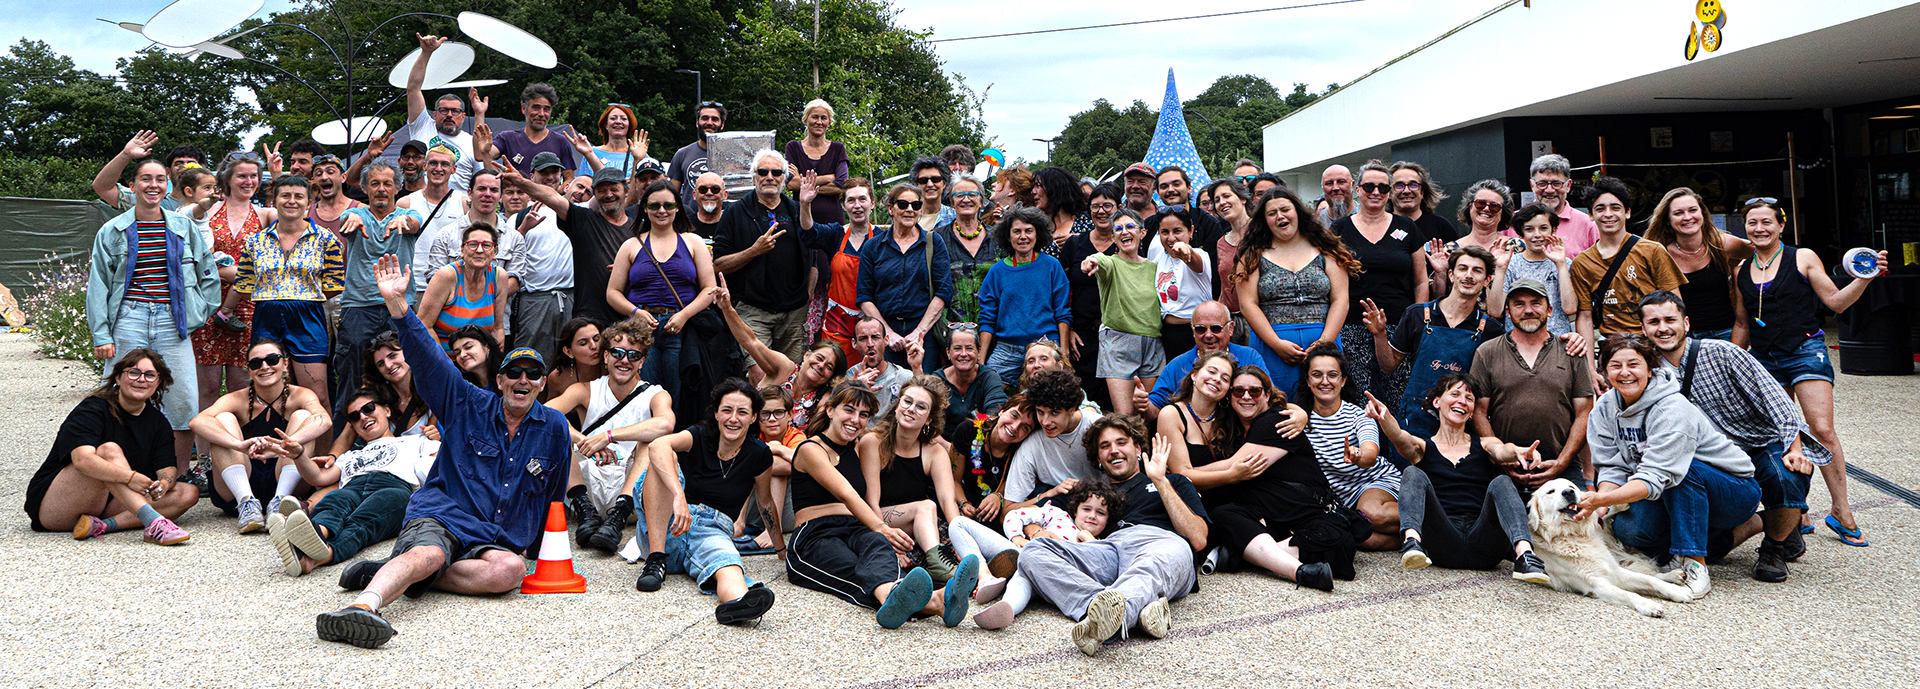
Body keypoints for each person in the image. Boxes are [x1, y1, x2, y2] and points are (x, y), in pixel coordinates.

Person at [316, 255, 571, 649]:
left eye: (533, 374)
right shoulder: (467, 402)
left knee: (510, 571)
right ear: (500, 379)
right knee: (432, 554)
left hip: (494, 534)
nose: (523, 380)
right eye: (514, 373)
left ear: (542, 385)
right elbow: (430, 360)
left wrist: (543, 548)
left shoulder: (553, 426)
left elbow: (553, 491)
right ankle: (364, 607)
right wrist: (398, 307)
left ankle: (390, 570)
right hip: (444, 512)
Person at [1639, 290, 1821, 581]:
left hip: (1759, 442)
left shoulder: (1723, 352)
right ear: (1644, 329)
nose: (1663, 328)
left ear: (1686, 323)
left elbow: (1777, 400)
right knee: (1707, 548)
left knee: (1787, 477)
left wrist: (1795, 448)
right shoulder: (1647, 371)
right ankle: (1764, 523)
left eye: (1670, 319)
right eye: (1654, 322)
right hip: (1713, 457)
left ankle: (1774, 547)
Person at [1733, 201, 1881, 548]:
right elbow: (1741, 323)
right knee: (1782, 436)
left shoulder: (1802, 257)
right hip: (1765, 359)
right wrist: (1735, 363)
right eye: (1752, 223)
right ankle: (1796, 509)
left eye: (1766, 222)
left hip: (1804, 351)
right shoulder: (1740, 269)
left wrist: (1864, 278)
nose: (1759, 229)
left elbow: (1836, 302)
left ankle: (1841, 510)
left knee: (1822, 429)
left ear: (1780, 226)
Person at [1578, 334, 1761, 597]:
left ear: (1650, 369)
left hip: (1733, 491)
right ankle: (1717, 535)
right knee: (1632, 532)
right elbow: (1612, 468)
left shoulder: (1673, 408)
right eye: (1615, 365)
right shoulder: (1604, 410)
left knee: (1683, 474)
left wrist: (1601, 499)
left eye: (1634, 364)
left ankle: (1694, 563)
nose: (1625, 372)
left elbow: (1658, 477)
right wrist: (1602, 507)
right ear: (1604, 371)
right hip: (1668, 490)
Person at [1018, 413, 1207, 656]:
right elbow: (1019, 514)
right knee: (1033, 553)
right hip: (1108, 549)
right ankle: (1106, 609)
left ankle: (1113, 616)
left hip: (1162, 543)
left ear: (1137, 448)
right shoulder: (1091, 494)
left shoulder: (1174, 482)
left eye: (1121, 442)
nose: (1113, 451)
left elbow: (1198, 538)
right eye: (1105, 446)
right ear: (1098, 458)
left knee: (1147, 567)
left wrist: (1160, 481)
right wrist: (1035, 530)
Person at [784, 385, 966, 628]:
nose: (855, 420)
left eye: (863, 415)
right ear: (829, 410)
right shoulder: (810, 449)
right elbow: (847, 494)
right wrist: (883, 527)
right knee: (853, 567)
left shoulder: (854, 448)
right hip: (816, 534)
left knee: (877, 549)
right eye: (849, 410)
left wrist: (880, 534)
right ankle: (931, 600)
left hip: (854, 527)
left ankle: (905, 597)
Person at [85, 157, 222, 469]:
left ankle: (176, 474)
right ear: (132, 187)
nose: (154, 185)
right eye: (146, 179)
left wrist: (197, 313)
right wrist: (102, 334)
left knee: (183, 398)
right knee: (119, 394)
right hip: (128, 318)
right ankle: (120, 471)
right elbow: (98, 286)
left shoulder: (183, 227)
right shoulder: (113, 230)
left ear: (168, 186)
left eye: (160, 179)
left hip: (172, 320)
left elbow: (209, 275)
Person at [1366, 375, 1552, 582]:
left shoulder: (1484, 444)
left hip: (1486, 546)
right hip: (1440, 545)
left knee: (1502, 482)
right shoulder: (1423, 448)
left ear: (1471, 411)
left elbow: (1502, 451)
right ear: (1437, 402)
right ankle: (1411, 542)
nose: (1462, 401)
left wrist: (1518, 451)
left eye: (1469, 399)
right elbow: (1399, 437)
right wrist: (1384, 417)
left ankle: (1526, 556)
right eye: (1454, 394)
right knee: (1412, 473)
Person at [629, 379, 780, 628]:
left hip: (713, 528)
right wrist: (679, 496)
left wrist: (781, 549)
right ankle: (655, 561)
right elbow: (657, 445)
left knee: (727, 562)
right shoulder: (699, 435)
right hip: (668, 524)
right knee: (661, 462)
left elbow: (764, 502)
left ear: (753, 417)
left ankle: (738, 604)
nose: (734, 418)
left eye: (742, 412)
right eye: (727, 410)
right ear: (717, 413)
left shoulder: (759, 454)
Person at [29, 351, 198, 545]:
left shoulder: (158, 422)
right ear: (118, 377)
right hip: (59, 506)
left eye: (150, 375)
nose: (141, 380)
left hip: (112, 502)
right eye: (133, 373)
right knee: (109, 451)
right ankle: (154, 522)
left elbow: (167, 467)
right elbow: (82, 460)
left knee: (187, 493)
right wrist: (131, 478)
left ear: (158, 382)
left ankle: (103, 525)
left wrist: (163, 484)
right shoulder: (92, 409)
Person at [267, 388, 439, 576]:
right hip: (354, 485)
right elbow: (318, 477)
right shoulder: (350, 456)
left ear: (387, 410)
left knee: (364, 520)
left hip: (394, 486)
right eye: (355, 416)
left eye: (368, 408)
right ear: (353, 427)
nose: (363, 417)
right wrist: (299, 455)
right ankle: (316, 535)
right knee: (335, 500)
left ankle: (314, 553)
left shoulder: (417, 441)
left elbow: (435, 470)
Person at [543, 315, 677, 551]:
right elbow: (544, 413)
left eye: (633, 355)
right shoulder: (585, 390)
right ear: (606, 356)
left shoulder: (656, 394)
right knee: (558, 434)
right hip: (589, 483)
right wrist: (584, 440)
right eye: (617, 352)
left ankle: (619, 514)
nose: (624, 360)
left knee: (653, 442)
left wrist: (608, 436)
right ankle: (584, 511)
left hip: (632, 488)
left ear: (642, 362)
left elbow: (666, 424)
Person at [1363, 245, 1505, 441]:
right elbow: (1388, 366)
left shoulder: (1491, 330)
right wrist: (1380, 334)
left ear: (1487, 280)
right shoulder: (1418, 315)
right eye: (1462, 269)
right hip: (1414, 423)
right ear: (1451, 275)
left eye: (1477, 270)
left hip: (1462, 429)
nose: (1469, 275)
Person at [190, 339, 333, 532]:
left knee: (304, 416)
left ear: (285, 364)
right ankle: (247, 504)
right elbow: (198, 421)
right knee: (221, 419)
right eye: (256, 363)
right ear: (248, 370)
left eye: (272, 360)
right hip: (240, 481)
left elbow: (323, 419)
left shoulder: (300, 395)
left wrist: (285, 445)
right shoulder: (236, 399)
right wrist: (238, 445)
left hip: (287, 477)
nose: (265, 367)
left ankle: (279, 503)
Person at [235, 176, 345, 413]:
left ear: (309, 202)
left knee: (317, 397)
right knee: (268, 394)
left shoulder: (326, 239)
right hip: (267, 315)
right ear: (274, 200)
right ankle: (271, 447)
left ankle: (321, 451)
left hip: (308, 315)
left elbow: (334, 283)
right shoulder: (256, 241)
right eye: (285, 195)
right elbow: (244, 284)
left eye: (298, 196)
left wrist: (300, 293)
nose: (291, 201)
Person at [1470, 279, 1594, 489]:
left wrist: (1562, 462)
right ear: (1508, 312)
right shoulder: (1487, 352)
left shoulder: (1571, 351)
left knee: (1580, 520)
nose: (1528, 310)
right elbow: (1478, 411)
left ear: (1550, 310)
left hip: (1562, 467)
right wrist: (1500, 458)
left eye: (1536, 303)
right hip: (1503, 470)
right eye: (1519, 304)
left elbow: (1584, 413)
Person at [1235, 186, 1354, 398]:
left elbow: (1340, 299)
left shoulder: (1326, 249)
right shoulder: (1252, 255)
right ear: (1264, 220)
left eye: (1285, 209)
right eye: (1272, 213)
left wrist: (1324, 343)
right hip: (1272, 346)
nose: (1280, 216)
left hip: (1323, 340)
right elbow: (1248, 304)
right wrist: (1276, 344)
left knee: (1324, 405)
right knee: (1274, 405)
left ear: (1297, 212)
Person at [962, 480, 1124, 630]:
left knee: (1023, 575)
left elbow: (1095, 572)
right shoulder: (1059, 516)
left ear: (1108, 518)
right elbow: (1015, 515)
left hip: (1049, 578)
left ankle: (1007, 606)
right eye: (1086, 509)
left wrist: (1089, 540)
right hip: (1024, 553)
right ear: (1075, 510)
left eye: (1101, 513)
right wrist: (1017, 537)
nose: (1092, 516)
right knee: (960, 524)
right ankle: (986, 578)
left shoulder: (1102, 544)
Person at [1332, 161, 1429, 408]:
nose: (1376, 192)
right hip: (1353, 325)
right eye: (1369, 186)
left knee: (1399, 397)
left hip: (1399, 326)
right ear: (1357, 189)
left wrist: (1418, 321)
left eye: (1383, 188)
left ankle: (1398, 448)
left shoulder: (1407, 227)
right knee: (1358, 398)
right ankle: (1364, 447)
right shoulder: (1339, 229)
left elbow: (1420, 281)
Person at [331, 162, 425, 414]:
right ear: (364, 188)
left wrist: (404, 221)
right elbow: (346, 219)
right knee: (352, 380)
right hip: (358, 309)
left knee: (404, 378)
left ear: (398, 187)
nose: (381, 189)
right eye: (374, 183)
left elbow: (414, 222)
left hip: (399, 308)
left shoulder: (410, 215)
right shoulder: (356, 215)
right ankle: (343, 448)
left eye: (387, 183)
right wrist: (350, 218)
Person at [859, 375, 972, 583]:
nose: (911, 409)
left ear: (929, 418)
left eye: (921, 407)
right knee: (927, 507)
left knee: (957, 533)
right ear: (897, 405)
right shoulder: (872, 442)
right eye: (907, 401)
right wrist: (886, 538)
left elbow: (948, 502)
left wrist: (959, 541)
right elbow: (870, 501)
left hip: (917, 523)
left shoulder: (934, 452)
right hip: (874, 519)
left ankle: (972, 571)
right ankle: (940, 567)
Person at [193, 153, 274, 437]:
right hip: (209, 306)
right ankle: (205, 459)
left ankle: (245, 450)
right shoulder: (207, 211)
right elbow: (192, 256)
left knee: (243, 386)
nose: (249, 181)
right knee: (209, 388)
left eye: (254, 176)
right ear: (227, 178)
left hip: (248, 306)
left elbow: (297, 213)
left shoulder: (264, 214)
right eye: (242, 175)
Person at [607, 180, 719, 387]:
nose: (661, 211)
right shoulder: (631, 245)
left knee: (681, 392)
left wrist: (684, 315)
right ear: (644, 209)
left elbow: (710, 290)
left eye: (667, 205)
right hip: (639, 327)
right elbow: (613, 292)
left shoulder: (693, 242)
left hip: (680, 325)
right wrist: (635, 313)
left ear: (677, 207)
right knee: (644, 390)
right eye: (654, 205)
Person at [1570, 177, 1687, 374]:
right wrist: (1589, 368)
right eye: (1600, 209)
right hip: (1612, 346)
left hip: (1654, 343)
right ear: (1590, 215)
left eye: (1615, 207)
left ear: (1628, 212)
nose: (1608, 214)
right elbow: (1585, 317)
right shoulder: (1582, 263)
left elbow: (1675, 303)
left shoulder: (1651, 251)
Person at [503, 165, 638, 324]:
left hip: (630, 316)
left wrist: (625, 269)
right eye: (601, 190)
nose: (608, 194)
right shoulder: (583, 220)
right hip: (590, 319)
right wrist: (523, 183)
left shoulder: (639, 228)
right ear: (594, 194)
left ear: (626, 191)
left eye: (614, 189)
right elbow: (553, 198)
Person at [714, 149, 814, 362]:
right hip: (753, 310)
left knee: (793, 376)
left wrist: (808, 295)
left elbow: (813, 258)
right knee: (757, 374)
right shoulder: (735, 212)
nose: (770, 177)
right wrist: (754, 250)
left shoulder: (797, 210)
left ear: (785, 178)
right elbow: (718, 264)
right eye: (763, 172)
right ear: (754, 177)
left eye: (776, 172)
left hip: (794, 311)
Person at [1300, 344, 1401, 549]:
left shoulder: (1358, 416)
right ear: (1308, 381)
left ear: (1343, 380)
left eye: (1333, 375)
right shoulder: (1301, 419)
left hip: (1374, 482)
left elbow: (1371, 455)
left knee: (1371, 512)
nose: (1325, 381)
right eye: (1317, 375)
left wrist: (1358, 456)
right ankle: (1419, 537)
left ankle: (1436, 518)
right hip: (1343, 500)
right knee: (1361, 538)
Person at [853, 182, 952, 373]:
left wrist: (919, 332)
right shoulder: (873, 247)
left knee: (922, 387)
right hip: (885, 330)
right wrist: (888, 333)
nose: (910, 210)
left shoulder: (933, 242)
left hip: (923, 329)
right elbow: (864, 296)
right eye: (903, 204)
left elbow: (943, 292)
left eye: (915, 205)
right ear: (890, 209)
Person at [1078, 209, 1162, 416]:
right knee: (1125, 415)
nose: (1125, 231)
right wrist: (1091, 261)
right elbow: (1099, 260)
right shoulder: (1111, 263)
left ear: (1142, 233)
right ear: (1114, 237)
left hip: (1153, 342)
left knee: (1148, 413)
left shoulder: (1154, 267)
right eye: (1118, 228)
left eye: (1130, 226)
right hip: (1119, 343)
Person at [975, 206, 1071, 386]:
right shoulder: (997, 272)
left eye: (1029, 231)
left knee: (1050, 395)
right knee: (988, 388)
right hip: (1007, 347)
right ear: (1008, 236)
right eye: (1017, 231)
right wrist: (981, 360)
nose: (1023, 237)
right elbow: (987, 317)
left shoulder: (1052, 266)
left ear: (1037, 234)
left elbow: (1062, 311)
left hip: (1045, 345)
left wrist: (1063, 352)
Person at [1647, 187, 1752, 342]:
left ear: (1703, 214)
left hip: (1724, 333)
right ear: (1668, 220)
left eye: (1693, 210)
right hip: (1682, 337)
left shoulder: (1722, 244)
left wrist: (1740, 277)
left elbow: (1763, 252)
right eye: (1678, 213)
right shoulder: (1659, 252)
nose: (1687, 217)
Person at [504, 158, 579, 365]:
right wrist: (523, 230)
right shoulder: (517, 218)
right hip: (533, 301)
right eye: (543, 172)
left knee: (570, 364)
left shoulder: (576, 212)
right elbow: (505, 259)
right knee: (529, 363)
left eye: (554, 172)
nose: (550, 177)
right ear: (532, 176)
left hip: (571, 298)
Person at [1140, 301, 1265, 418]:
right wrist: (1143, 404)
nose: (1209, 335)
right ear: (1193, 331)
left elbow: (1269, 397)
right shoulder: (1178, 365)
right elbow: (1155, 409)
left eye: (1216, 328)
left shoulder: (1250, 357)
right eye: (1201, 329)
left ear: (1230, 328)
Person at [414, 167, 523, 302]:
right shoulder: (446, 234)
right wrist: (465, 303)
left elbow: (515, 281)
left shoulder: (514, 238)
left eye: (494, 190)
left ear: (501, 196)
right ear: (470, 193)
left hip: (495, 319)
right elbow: (434, 277)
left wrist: (479, 301)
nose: (487, 194)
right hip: (452, 318)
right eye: (482, 189)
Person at [1000, 369, 1103, 511]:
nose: (1046, 422)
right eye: (1040, 412)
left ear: (1072, 409)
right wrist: (1049, 494)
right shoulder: (1033, 443)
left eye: (1055, 413)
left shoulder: (1099, 428)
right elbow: (1008, 510)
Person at [801, 177, 878, 354]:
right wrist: (805, 204)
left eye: (862, 199)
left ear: (872, 203)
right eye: (850, 200)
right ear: (843, 205)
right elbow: (809, 232)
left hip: (870, 327)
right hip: (837, 324)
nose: (857, 205)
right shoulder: (836, 234)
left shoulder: (882, 239)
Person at [393, 36, 480, 190]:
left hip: (457, 208)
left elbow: (481, 181)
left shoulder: (472, 143)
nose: (449, 115)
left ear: (463, 116)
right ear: (434, 114)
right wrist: (426, 53)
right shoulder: (423, 126)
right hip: (419, 205)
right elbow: (413, 88)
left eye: (455, 111)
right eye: (444, 110)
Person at [1059, 187, 1118, 408]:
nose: (1101, 211)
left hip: (1117, 335)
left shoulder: (1126, 245)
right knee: (1085, 402)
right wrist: (1069, 328)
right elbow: (1061, 290)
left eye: (1108, 205)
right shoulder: (1074, 245)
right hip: (1082, 337)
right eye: (1095, 206)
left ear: (1119, 208)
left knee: (1115, 402)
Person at [420, 223, 516, 351]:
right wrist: (445, 366)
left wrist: (494, 365)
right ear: (462, 249)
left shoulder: (499, 276)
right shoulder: (447, 276)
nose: (479, 250)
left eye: (487, 245)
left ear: (495, 252)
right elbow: (424, 325)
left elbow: (497, 328)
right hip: (443, 359)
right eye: (473, 244)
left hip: (479, 362)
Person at [1489, 203, 1576, 336]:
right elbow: (1494, 311)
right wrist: (1500, 269)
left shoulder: (1564, 263)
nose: (1537, 235)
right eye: (1529, 229)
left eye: (1543, 228)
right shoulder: (1511, 263)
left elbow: (1570, 308)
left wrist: (1561, 265)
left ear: (1553, 230)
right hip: (1518, 342)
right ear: (1521, 234)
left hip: (1557, 341)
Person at [949, 393, 1033, 525]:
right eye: (1014, 415)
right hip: (965, 497)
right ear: (1003, 410)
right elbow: (954, 480)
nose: (1015, 427)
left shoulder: (1023, 451)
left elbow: (1014, 482)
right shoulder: (967, 432)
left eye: (1025, 427)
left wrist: (998, 496)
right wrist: (963, 504)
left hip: (997, 512)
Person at [1147, 209, 1213, 359]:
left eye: (1177, 231)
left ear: (1191, 231)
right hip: (1167, 333)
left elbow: (1194, 261)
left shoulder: (1200, 255)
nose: (1171, 238)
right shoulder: (1159, 258)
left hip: (1195, 333)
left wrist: (1185, 250)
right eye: (1165, 232)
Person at [1437, 179, 1517, 298]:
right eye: (1481, 203)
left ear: (1502, 213)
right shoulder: (1450, 250)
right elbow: (1438, 296)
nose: (1486, 209)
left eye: (1494, 206)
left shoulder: (1516, 248)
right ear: (1470, 207)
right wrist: (1441, 274)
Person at [935, 174, 998, 323]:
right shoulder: (937, 239)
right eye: (959, 195)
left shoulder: (998, 238)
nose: (966, 200)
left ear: (981, 201)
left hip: (993, 326)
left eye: (972, 195)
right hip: (952, 328)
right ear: (952, 202)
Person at [934, 325, 1008, 448]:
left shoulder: (989, 377)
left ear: (979, 352)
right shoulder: (937, 380)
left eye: (969, 348)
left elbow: (996, 412)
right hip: (941, 446)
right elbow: (926, 420)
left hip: (979, 444)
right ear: (948, 352)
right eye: (957, 348)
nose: (963, 354)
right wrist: (950, 450)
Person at [490, 83, 579, 177]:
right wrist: (479, 113)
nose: (541, 114)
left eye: (546, 109)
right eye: (536, 108)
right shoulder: (507, 138)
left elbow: (569, 179)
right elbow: (482, 154)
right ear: (524, 108)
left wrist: (555, 190)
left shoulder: (560, 142)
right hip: (515, 191)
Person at [784, 98, 848, 225]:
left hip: (833, 222)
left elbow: (842, 186)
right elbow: (790, 184)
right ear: (805, 120)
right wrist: (828, 178)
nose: (819, 122)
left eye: (824, 118)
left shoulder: (838, 149)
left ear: (829, 122)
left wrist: (803, 185)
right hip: (801, 220)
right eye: (814, 117)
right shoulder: (793, 148)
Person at [1204, 179, 1254, 337]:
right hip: (1230, 321)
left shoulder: (1262, 232)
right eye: (1217, 200)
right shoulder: (1221, 242)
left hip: (1257, 318)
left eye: (1226, 196)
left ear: (1243, 198)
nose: (1222, 202)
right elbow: (1224, 285)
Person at [1523, 154, 1599, 256]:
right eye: (1542, 183)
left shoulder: (1587, 225)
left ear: (1568, 185)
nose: (1549, 190)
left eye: (1556, 183)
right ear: (1532, 185)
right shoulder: (1514, 223)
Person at [845, 316, 916, 416]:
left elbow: (924, 404)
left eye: (875, 337)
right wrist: (855, 389)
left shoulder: (903, 377)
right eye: (863, 338)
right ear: (854, 343)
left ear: (886, 340)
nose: (870, 344)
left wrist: (917, 367)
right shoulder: (849, 378)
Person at [668, 102, 726, 210]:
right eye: (705, 118)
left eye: (714, 119)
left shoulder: (731, 156)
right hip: (689, 222)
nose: (709, 123)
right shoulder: (682, 154)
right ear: (697, 123)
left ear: (722, 125)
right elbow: (671, 196)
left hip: (724, 222)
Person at [576, 103, 651, 179]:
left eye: (624, 119)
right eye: (613, 118)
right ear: (606, 125)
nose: (618, 121)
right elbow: (583, 183)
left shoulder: (640, 155)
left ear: (629, 125)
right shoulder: (591, 153)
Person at [1390, 160, 1456, 242]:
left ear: (1422, 193)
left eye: (1413, 185)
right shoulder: (1380, 228)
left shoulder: (1441, 226)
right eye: (1399, 185)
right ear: (1389, 193)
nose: (1406, 191)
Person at [544, 318, 604, 402]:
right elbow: (550, 412)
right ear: (568, 352)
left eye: (597, 339)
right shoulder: (558, 378)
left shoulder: (612, 370)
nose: (593, 346)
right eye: (583, 343)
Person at [1034, 167, 1093, 251]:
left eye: (1038, 186)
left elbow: (1105, 244)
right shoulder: (1037, 228)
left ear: (1055, 189)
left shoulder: (1087, 221)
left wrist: (1079, 239)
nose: (1033, 191)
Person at [910, 157, 958, 232]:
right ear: (916, 185)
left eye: (935, 179)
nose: (930, 184)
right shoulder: (908, 215)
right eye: (923, 180)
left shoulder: (954, 216)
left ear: (944, 183)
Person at [688, 171, 729, 238]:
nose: (709, 193)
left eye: (715, 189)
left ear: (725, 195)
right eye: (703, 189)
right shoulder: (684, 226)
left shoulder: (735, 226)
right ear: (694, 195)